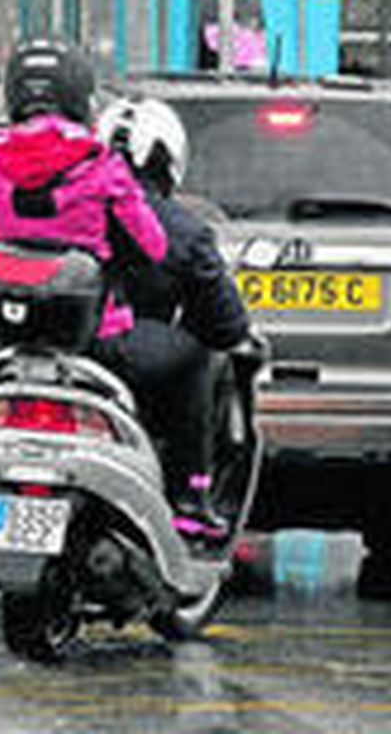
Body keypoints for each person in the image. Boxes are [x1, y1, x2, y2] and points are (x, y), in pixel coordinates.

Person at [0, 42, 228, 538]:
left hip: (13, 341)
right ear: (80, 98)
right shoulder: (102, 166)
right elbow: (153, 244)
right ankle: (191, 493)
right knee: (191, 358)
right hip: (97, 339)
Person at [96, 96, 255, 540]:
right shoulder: (182, 227)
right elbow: (226, 325)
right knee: (200, 358)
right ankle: (190, 494)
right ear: (167, 157)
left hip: (56, 345)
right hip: (125, 348)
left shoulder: (63, 203)